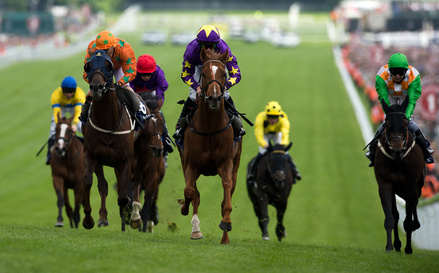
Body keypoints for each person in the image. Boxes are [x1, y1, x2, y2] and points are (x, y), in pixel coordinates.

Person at [173, 24, 245, 139]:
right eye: (204, 45)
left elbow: (236, 73)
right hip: (199, 67)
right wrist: (196, 87)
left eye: (211, 46)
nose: (208, 49)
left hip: (217, 65)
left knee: (224, 94)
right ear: (198, 43)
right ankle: (180, 127)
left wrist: (226, 85)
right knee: (192, 95)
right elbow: (186, 74)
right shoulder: (191, 50)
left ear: (217, 44)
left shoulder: (223, 48)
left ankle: (238, 125)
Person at [365, 53, 434, 166]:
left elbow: (412, 101)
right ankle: (372, 150)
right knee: (387, 120)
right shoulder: (381, 75)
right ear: (389, 71)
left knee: (410, 121)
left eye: (401, 73)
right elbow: (383, 97)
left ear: (406, 71)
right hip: (389, 95)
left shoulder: (414, 76)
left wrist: (405, 117)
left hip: (406, 95)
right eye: (394, 72)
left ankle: (426, 149)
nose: (397, 76)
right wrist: (391, 116)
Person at [80, 30, 145, 126]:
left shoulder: (124, 49)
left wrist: (119, 83)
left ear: (113, 47)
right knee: (89, 95)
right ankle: (84, 121)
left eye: (106, 50)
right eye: (100, 50)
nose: (103, 53)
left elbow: (131, 73)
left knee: (126, 89)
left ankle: (139, 113)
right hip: (101, 69)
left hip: (118, 68)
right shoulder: (91, 49)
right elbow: (86, 73)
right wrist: (95, 84)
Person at [129, 54, 173, 155]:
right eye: (143, 75)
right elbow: (130, 89)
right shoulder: (133, 72)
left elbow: (160, 92)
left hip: (153, 92)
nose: (146, 77)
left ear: (153, 72)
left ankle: (165, 139)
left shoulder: (159, 73)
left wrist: (157, 107)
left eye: (149, 74)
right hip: (137, 93)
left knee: (158, 115)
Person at [247, 101, 301, 182]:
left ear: (278, 116)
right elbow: (258, 135)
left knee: (285, 153)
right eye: (271, 117)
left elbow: (285, 134)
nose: (273, 120)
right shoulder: (260, 119)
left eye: (275, 117)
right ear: (266, 116)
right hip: (265, 134)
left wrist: (282, 145)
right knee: (262, 152)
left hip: (276, 133)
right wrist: (265, 145)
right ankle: (252, 172)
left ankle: (295, 171)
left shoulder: (284, 120)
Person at [46, 76, 85, 165]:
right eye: (66, 91)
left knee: (81, 126)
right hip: (62, 108)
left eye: (71, 92)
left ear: (74, 91)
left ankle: (90, 150)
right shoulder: (56, 95)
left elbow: (79, 111)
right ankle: (50, 155)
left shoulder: (80, 94)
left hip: (75, 108)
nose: (68, 94)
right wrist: (57, 125)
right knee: (53, 129)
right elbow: (56, 113)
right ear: (62, 90)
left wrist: (74, 124)